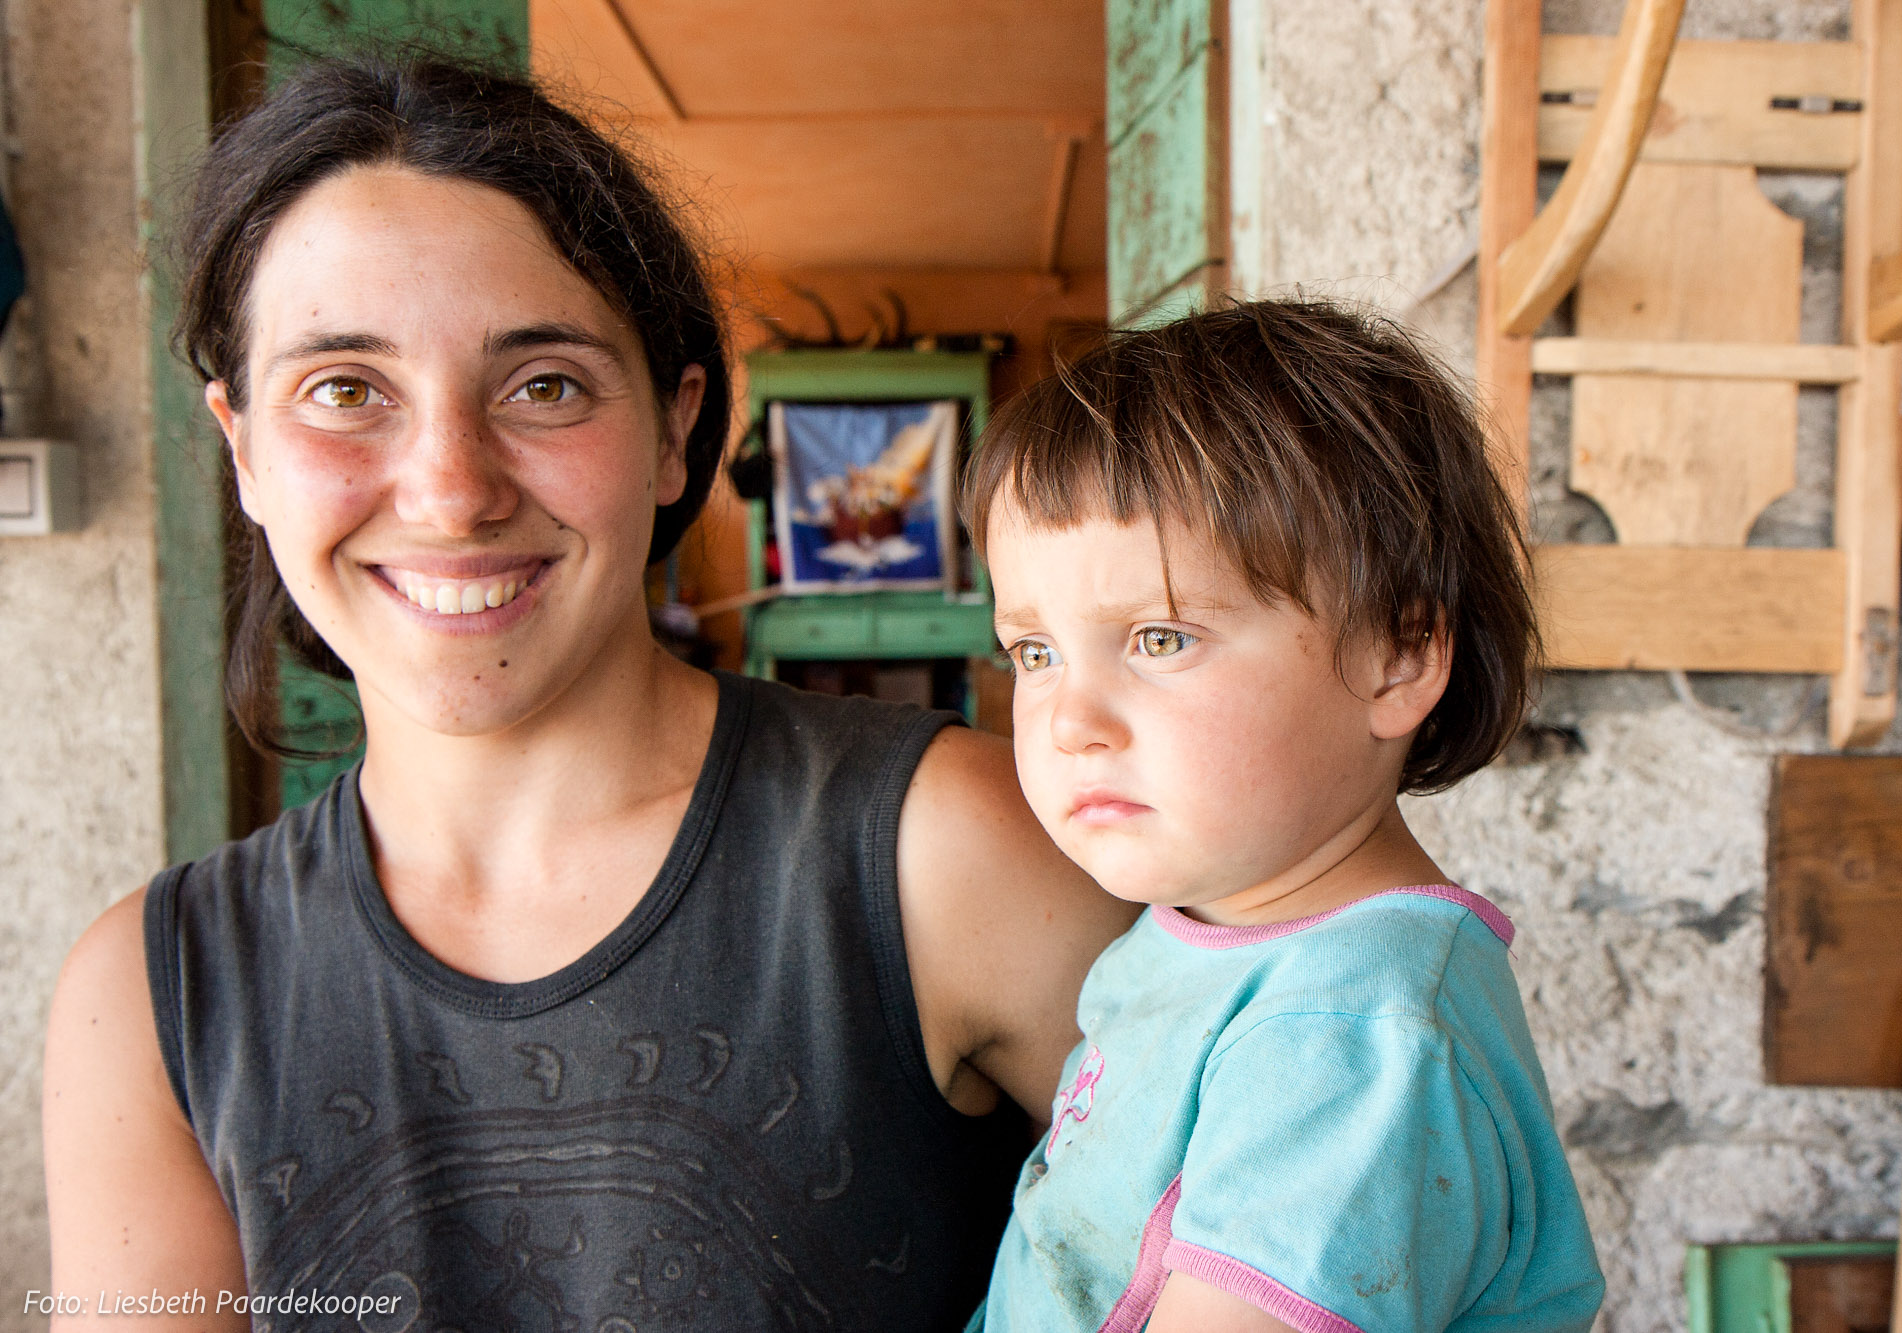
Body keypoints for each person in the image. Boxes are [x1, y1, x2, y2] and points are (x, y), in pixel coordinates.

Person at [41, 56, 1134, 1332]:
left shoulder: (945, 852)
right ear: (243, 450)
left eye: (543, 385)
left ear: (674, 429)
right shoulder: (153, 997)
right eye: (345, 391)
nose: (452, 492)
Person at [962, 301, 1606, 1332]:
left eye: (1160, 638)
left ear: (1397, 656)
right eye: (1035, 653)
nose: (1071, 722)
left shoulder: (1348, 1036)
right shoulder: (1218, 930)